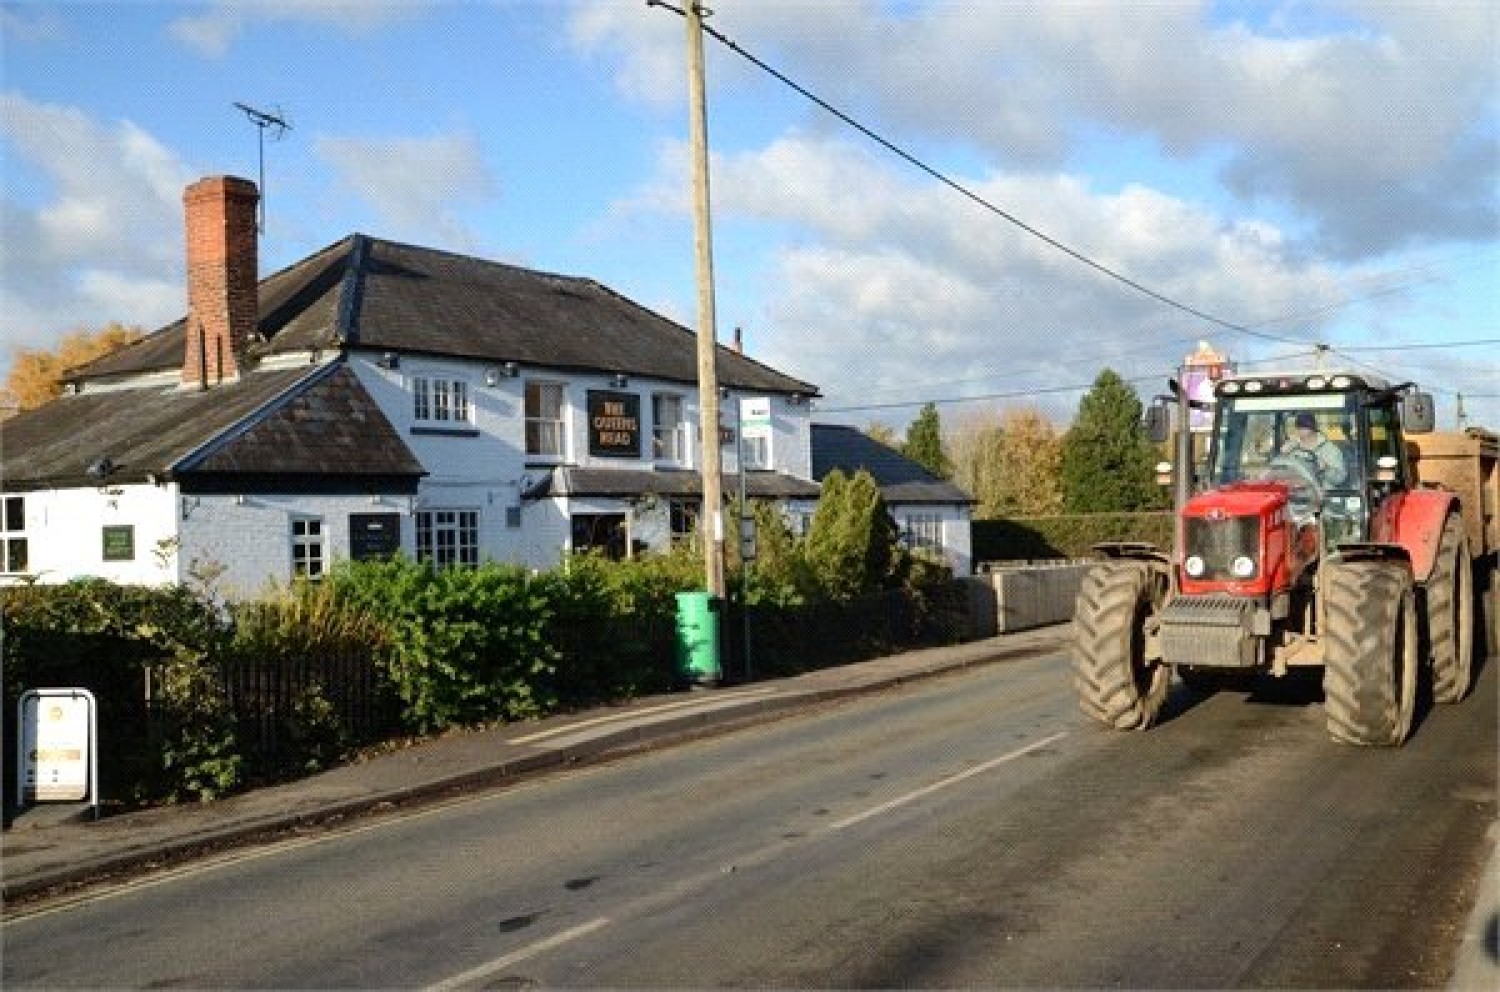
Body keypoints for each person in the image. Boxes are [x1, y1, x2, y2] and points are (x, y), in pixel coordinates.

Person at [1280, 411, 1347, 487]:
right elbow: (1278, 476)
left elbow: (1340, 479)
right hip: (1296, 496)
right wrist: (1282, 456)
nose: (1300, 430)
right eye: (1299, 426)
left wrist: (1326, 469)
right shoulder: (1291, 449)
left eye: (1304, 426)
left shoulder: (1330, 450)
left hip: (1326, 496)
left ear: (1313, 427)